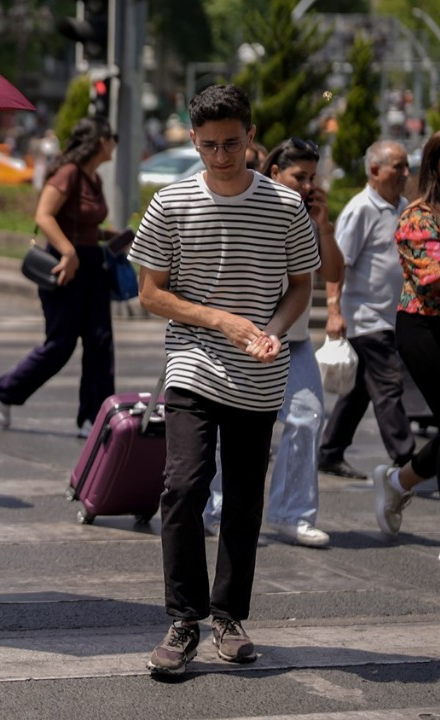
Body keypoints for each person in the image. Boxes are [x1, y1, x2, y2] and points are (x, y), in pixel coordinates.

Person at [130, 85, 319, 676]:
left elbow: (300, 287)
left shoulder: (284, 207)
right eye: (208, 145)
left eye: (231, 143)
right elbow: (150, 293)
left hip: (260, 373)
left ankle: (229, 616)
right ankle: (184, 619)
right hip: (193, 363)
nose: (220, 155)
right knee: (183, 486)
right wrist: (221, 320)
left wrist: (274, 332)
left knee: (242, 499)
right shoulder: (171, 203)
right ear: (192, 140)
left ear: (251, 135)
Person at [202, 138, 345, 548]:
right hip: (237, 336)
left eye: (313, 177)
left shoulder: (307, 215)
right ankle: (213, 509)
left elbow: (333, 270)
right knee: (223, 426)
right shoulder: (255, 206)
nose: (308, 185)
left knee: (307, 416)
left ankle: (291, 514)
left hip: (292, 340)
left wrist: (323, 225)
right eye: (299, 176)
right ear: (274, 173)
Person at [0, 116, 120, 437]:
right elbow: (43, 215)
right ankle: (4, 389)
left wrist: (111, 236)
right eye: (111, 138)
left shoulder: (93, 179)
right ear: (100, 141)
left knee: (101, 343)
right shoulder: (69, 173)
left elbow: (83, 225)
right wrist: (68, 252)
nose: (115, 143)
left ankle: (94, 417)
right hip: (64, 266)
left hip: (92, 265)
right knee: (60, 345)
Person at [377, 127, 440, 565]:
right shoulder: (417, 216)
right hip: (425, 329)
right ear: (435, 162)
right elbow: (438, 275)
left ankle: (400, 482)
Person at [318, 140, 414, 479]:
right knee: (388, 383)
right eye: (398, 167)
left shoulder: (403, 207)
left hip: (392, 316)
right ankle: (408, 460)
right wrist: (334, 311)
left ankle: (330, 451)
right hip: (366, 316)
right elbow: (337, 264)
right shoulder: (361, 209)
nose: (406, 173)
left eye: (406, 166)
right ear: (374, 171)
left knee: (360, 390)